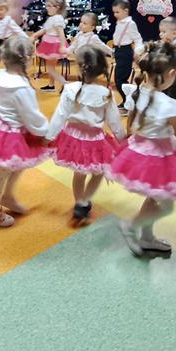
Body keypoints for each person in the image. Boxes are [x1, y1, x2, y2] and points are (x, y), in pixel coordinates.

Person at [107, 42, 176, 256]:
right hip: (158, 156)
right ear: (171, 73)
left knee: (155, 196)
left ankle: (147, 237)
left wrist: (130, 136)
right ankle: (132, 226)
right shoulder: (168, 105)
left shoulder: (137, 93)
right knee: (167, 205)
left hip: (139, 150)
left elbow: (130, 121)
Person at [0, 36, 52, 228]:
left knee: (18, 165)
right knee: (2, 173)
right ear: (28, 59)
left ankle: (8, 196)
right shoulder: (22, 88)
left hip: (0, 127)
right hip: (10, 136)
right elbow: (31, 115)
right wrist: (45, 132)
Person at [46, 46, 125, 226]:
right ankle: (84, 200)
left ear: (80, 67)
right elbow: (114, 122)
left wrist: (49, 136)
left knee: (79, 172)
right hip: (95, 140)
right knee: (99, 171)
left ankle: (80, 202)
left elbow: (60, 116)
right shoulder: (106, 93)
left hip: (72, 137)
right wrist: (122, 142)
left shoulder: (70, 89)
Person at [111, 0, 144, 109]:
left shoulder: (130, 23)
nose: (115, 15)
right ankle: (127, 101)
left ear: (126, 11)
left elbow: (138, 38)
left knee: (120, 79)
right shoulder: (120, 22)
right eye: (114, 12)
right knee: (119, 79)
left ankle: (130, 100)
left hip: (125, 52)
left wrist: (137, 51)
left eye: (117, 12)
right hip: (119, 51)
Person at [32, 0, 68, 93]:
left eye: (49, 6)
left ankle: (66, 84)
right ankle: (51, 85)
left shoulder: (57, 19)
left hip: (54, 45)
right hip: (49, 43)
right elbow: (45, 29)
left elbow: (61, 34)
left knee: (50, 68)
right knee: (51, 66)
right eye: (46, 5)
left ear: (57, 7)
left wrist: (62, 46)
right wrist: (35, 35)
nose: (47, 8)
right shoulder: (52, 18)